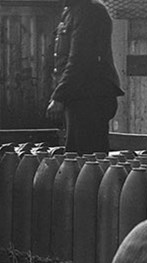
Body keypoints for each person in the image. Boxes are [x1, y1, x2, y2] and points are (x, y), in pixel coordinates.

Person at [46, 0, 125, 153]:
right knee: (77, 158)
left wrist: (59, 96)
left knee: (85, 160)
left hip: (89, 98)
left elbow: (80, 60)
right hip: (77, 96)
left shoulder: (89, 12)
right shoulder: (71, 12)